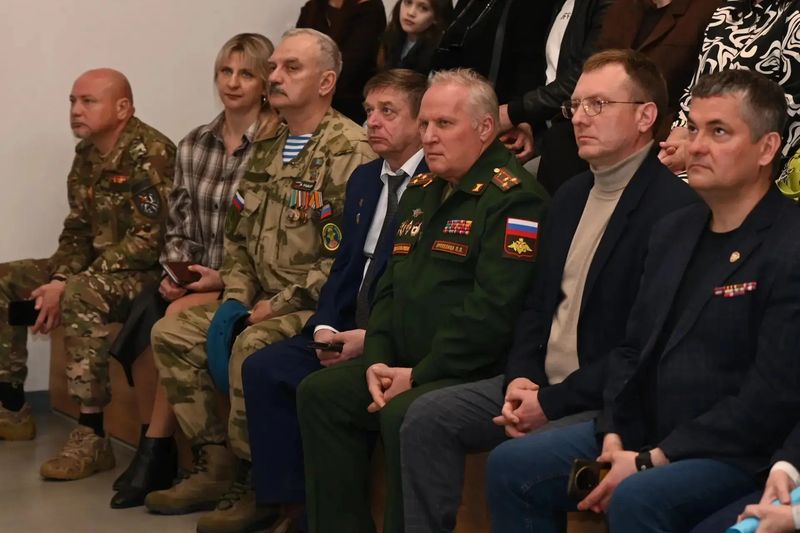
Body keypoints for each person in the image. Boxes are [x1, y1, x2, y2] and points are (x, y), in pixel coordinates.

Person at [486, 68, 800, 533]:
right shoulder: (675, 229)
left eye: (719, 132)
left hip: (732, 451)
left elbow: (769, 399)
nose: (697, 146)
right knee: (511, 466)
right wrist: (615, 432)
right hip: (643, 432)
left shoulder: (789, 244)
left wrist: (652, 459)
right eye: (694, 129)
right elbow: (633, 352)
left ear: (767, 148)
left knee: (639, 497)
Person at [399, 49, 698, 533]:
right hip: (540, 383)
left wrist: (552, 402)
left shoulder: (675, 210)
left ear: (646, 117)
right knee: (427, 417)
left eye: (598, 104)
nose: (579, 117)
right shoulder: (570, 195)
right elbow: (536, 306)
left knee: (516, 463)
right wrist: (522, 378)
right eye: (575, 105)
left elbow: (642, 349)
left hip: (608, 403)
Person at [143, 28, 377, 533]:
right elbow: (239, 236)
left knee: (252, 345)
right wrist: (236, 296)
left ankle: (260, 483)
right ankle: (215, 463)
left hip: (311, 305)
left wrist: (278, 303)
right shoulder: (270, 144)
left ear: (326, 82)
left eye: (291, 68)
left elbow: (343, 259)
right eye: (273, 67)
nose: (275, 76)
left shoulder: (349, 149)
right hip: (257, 297)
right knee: (173, 333)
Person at [297, 68, 550, 533]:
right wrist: (377, 359)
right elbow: (389, 286)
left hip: (469, 371)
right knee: (321, 394)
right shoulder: (423, 189)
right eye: (425, 123)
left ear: (485, 128)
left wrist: (418, 374)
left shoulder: (514, 201)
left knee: (405, 412)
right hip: (403, 362)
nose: (428, 136)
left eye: (444, 124)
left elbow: (492, 313)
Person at [241, 67, 429, 532]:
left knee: (320, 390)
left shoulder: (435, 182)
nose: (373, 122)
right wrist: (325, 326)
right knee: (265, 367)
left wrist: (371, 337)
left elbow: (417, 287)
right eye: (368, 111)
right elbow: (342, 265)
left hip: (387, 335)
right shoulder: (365, 179)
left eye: (388, 112)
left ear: (420, 120)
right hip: (345, 323)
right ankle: (293, 506)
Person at [108, 33, 282, 510]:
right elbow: (179, 223)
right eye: (226, 71)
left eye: (246, 73)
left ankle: (160, 449)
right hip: (197, 275)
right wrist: (176, 270)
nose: (233, 82)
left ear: (266, 84)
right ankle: (156, 446)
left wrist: (219, 277)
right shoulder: (194, 143)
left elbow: (267, 237)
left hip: (249, 281)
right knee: (147, 309)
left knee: (173, 317)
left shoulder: (277, 145)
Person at [0, 68, 174, 480]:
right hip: (96, 271)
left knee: (81, 291)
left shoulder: (151, 153)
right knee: (6, 279)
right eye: (73, 101)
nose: (76, 110)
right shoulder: (87, 155)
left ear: (123, 108)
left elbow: (149, 241)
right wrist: (59, 278)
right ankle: (11, 407)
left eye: (88, 101)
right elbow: (77, 231)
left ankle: (92, 434)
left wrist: (70, 284)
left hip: (144, 275)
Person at [658, 0, 800, 192]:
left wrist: (697, 147)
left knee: (667, 198)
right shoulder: (727, 10)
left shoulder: (794, 14)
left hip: (757, 159)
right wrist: (679, 138)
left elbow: (791, 108)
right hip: (701, 146)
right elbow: (697, 88)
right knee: (646, 185)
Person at [496, 0, 613, 194]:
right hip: (549, 133)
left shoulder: (607, 5)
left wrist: (515, 112)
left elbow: (585, 78)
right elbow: (545, 70)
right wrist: (528, 123)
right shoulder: (559, 4)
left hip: (577, 136)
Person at [594, 0, 722, 141]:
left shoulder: (708, 9)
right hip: (606, 121)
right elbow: (599, 67)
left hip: (663, 134)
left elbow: (701, 91)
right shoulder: (622, 7)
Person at [297, 0, 387, 123]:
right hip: (306, 96)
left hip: (346, 103)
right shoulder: (312, 7)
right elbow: (297, 51)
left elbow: (352, 67)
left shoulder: (370, 9)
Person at [377, 0, 453, 75]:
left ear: (436, 18)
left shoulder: (439, 52)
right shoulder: (391, 35)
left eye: (423, 8)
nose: (411, 13)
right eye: (408, 2)